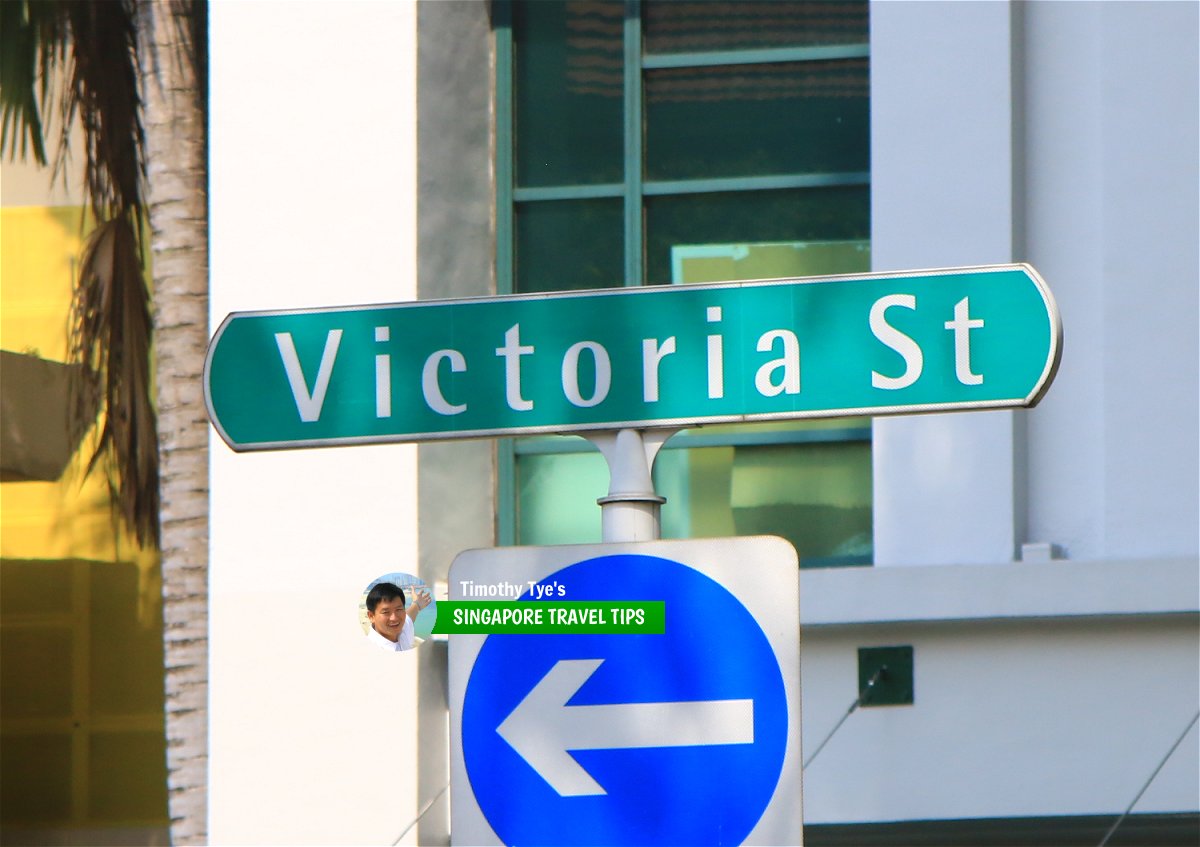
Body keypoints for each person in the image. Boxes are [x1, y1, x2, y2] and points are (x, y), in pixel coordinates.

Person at [365, 581, 431, 652]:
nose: (394, 618)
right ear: (371, 616)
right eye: (386, 612)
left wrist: (417, 604)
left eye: (398, 609)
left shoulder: (403, 628)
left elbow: (409, 615)